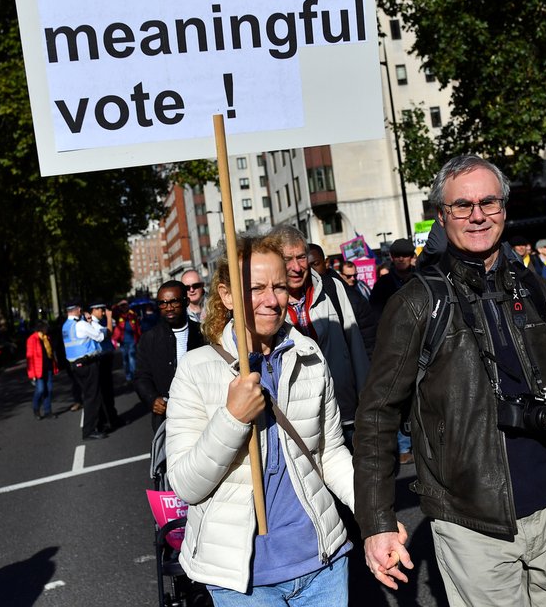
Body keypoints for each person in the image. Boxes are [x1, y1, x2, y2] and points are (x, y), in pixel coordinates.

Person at [354, 154, 546, 605]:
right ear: (442, 216)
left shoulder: (537, 291)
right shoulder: (416, 304)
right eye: (462, 206)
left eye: (489, 201)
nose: (478, 215)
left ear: (504, 208)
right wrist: (378, 521)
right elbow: (376, 417)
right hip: (470, 524)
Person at [165, 235, 360, 603]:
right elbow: (187, 486)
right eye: (255, 288)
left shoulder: (309, 353)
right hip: (242, 581)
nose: (272, 300)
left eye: (280, 287)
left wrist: (374, 513)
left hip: (322, 563)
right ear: (226, 296)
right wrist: (232, 418)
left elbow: (330, 453)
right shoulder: (196, 369)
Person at [268, 224, 369, 447]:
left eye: (301, 257)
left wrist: (367, 402)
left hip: (346, 413)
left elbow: (356, 347)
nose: (296, 267)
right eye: (287, 259)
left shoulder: (332, 288)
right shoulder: (267, 304)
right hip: (300, 422)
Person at [133, 280, 204, 431]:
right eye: (163, 303)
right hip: (167, 420)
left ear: (185, 302)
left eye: (174, 302)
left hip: (202, 414)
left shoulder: (203, 334)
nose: (169, 308)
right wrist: (152, 399)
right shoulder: (149, 339)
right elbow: (141, 377)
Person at [62, 301, 107, 440]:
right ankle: (89, 430)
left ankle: (98, 424)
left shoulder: (65, 326)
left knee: (89, 395)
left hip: (74, 366)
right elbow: (100, 337)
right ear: (78, 309)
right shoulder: (81, 324)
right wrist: (92, 323)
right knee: (92, 397)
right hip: (87, 364)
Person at [88, 301, 121, 431]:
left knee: (107, 392)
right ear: (94, 309)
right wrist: (108, 317)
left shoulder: (97, 322)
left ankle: (111, 418)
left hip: (105, 358)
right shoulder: (94, 324)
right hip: (101, 360)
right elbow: (107, 333)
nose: (103, 312)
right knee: (105, 392)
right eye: (101, 309)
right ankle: (108, 421)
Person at [369, 237, 417, 318]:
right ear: (392, 257)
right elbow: (375, 313)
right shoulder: (382, 284)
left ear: (411, 256)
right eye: (397, 255)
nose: (401, 259)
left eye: (405, 255)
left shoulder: (420, 278)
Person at [26, 320, 58, 420]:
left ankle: (48, 411)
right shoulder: (32, 339)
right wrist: (31, 374)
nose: (47, 329)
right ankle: (36, 408)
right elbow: (30, 357)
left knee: (48, 390)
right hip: (38, 370)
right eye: (46, 327)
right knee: (40, 390)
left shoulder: (46, 338)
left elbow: (51, 353)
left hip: (48, 367)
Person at [112, 300, 142, 382]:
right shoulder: (118, 316)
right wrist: (118, 304)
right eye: (122, 306)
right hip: (122, 342)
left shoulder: (132, 315)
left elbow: (137, 327)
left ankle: (133, 375)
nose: (124, 307)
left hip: (132, 341)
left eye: (125, 305)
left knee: (132, 358)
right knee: (125, 360)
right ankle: (128, 375)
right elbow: (113, 311)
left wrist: (139, 338)